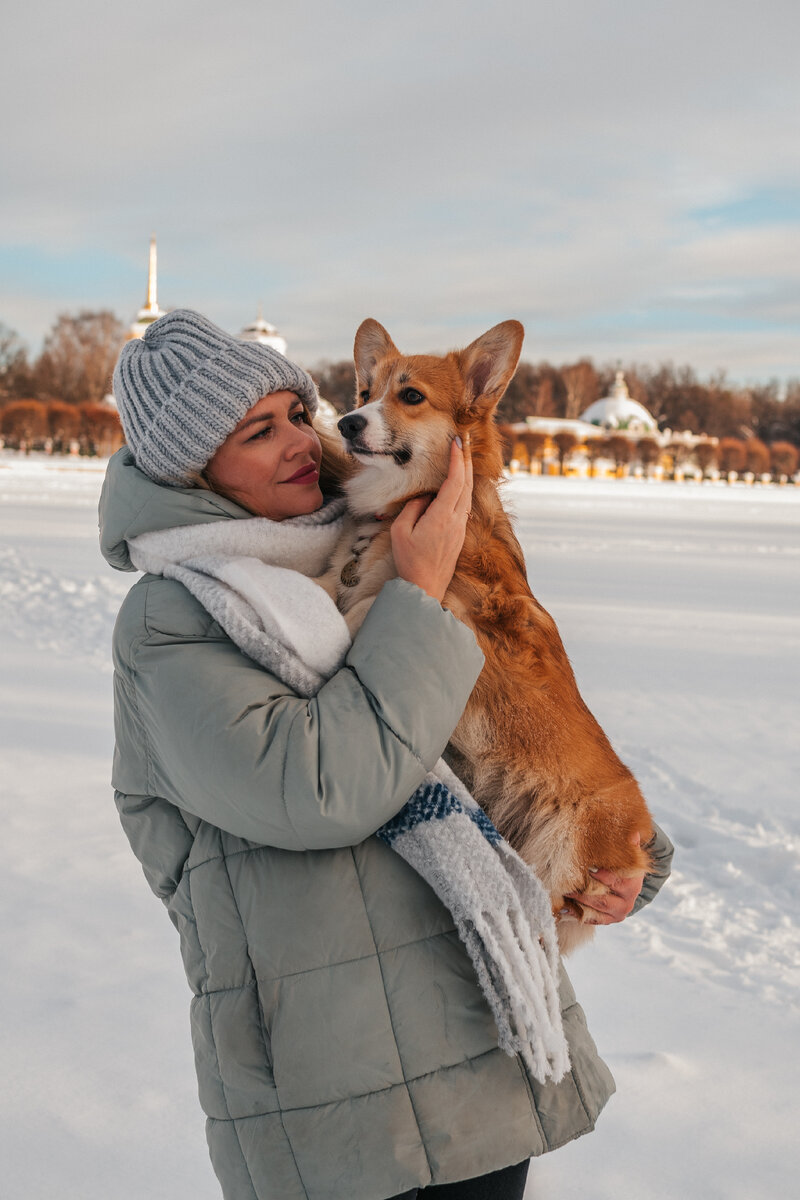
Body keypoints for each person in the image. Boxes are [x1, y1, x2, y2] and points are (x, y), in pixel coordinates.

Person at [101, 309, 673, 1200]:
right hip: (334, 1094)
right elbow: (322, 790)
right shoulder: (173, 621)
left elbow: (506, 728)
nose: (307, 437)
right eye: (260, 431)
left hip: (475, 1051)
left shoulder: (377, 536)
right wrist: (419, 593)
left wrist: (618, 850)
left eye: (299, 412)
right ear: (192, 466)